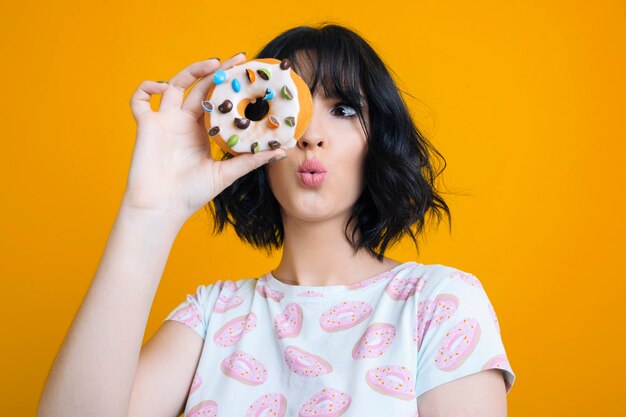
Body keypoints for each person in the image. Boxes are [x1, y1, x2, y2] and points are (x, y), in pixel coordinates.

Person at [38, 23, 516, 417]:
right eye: (287, 106)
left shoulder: (439, 305)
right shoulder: (211, 317)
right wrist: (149, 212)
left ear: (379, 141)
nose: (311, 135)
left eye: (344, 109)